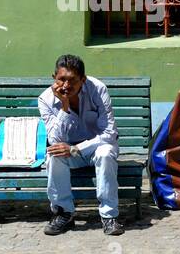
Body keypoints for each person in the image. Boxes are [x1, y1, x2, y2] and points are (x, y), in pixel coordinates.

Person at [38, 53, 123, 237]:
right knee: (53, 155)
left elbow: (109, 134)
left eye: (72, 81)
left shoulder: (98, 89)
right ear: (54, 78)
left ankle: (109, 217)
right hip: (70, 152)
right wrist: (64, 105)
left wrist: (76, 148)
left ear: (83, 80)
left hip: (96, 148)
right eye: (61, 80)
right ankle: (64, 213)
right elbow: (55, 139)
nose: (66, 86)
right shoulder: (45, 100)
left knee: (106, 153)